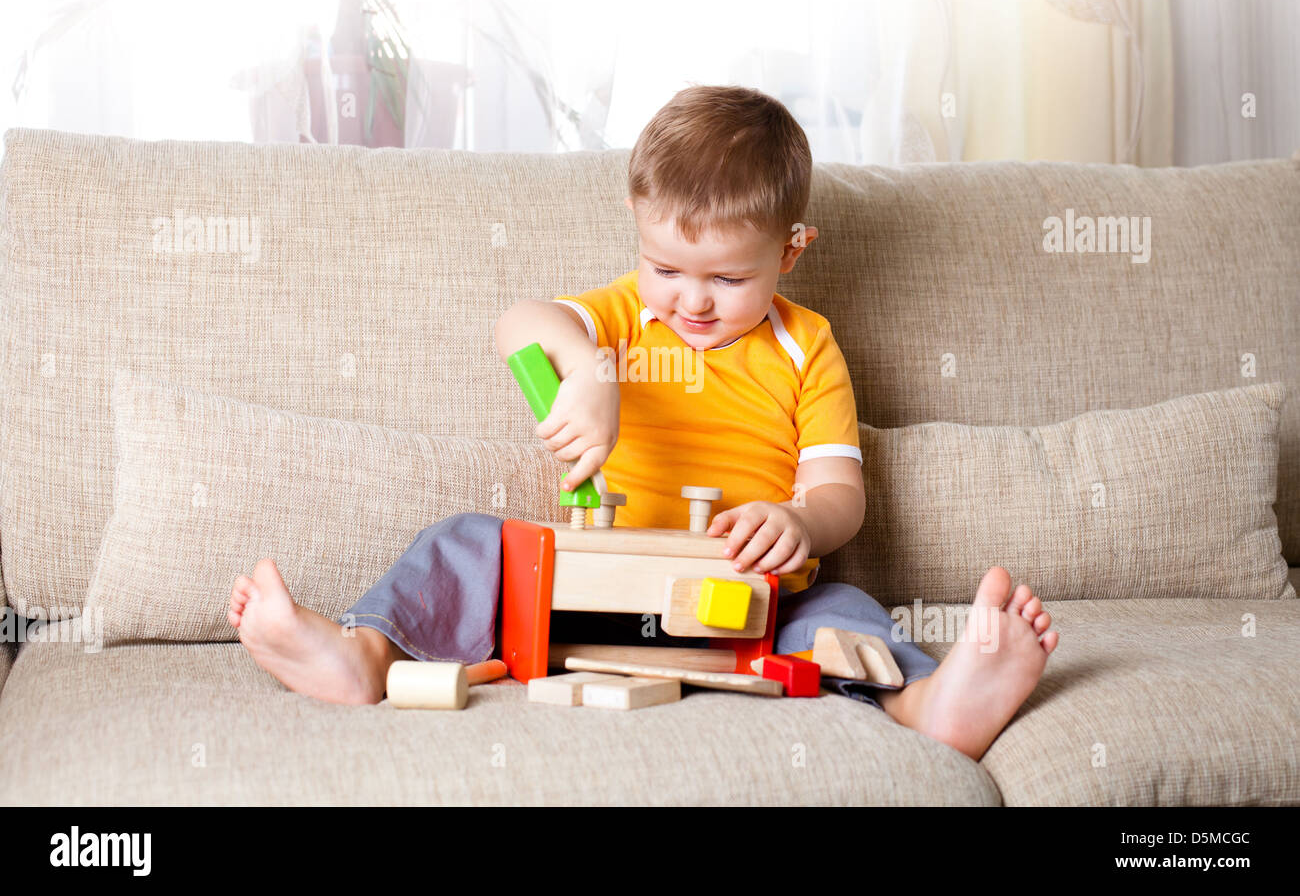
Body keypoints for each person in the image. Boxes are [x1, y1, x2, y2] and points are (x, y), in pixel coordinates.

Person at [228, 84, 1058, 762]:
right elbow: (517, 324)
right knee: (463, 542)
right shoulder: (625, 319)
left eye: (727, 278)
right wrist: (590, 371)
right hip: (586, 590)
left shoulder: (809, 348)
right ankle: (362, 654)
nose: (690, 300)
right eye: (665, 267)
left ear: (791, 252)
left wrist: (800, 519)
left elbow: (841, 491)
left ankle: (928, 703)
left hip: (750, 602)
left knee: (842, 608)